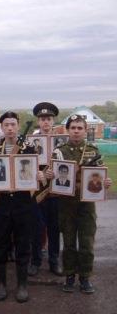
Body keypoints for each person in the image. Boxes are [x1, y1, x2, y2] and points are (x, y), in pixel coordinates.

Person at [47, 114, 112, 293]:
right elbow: (50, 175)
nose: (76, 131)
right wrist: (50, 176)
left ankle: (85, 277)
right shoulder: (59, 151)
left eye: (79, 128)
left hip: (86, 203)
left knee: (86, 242)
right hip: (66, 204)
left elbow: (99, 174)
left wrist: (105, 182)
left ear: (85, 131)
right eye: (73, 128)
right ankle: (69, 276)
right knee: (68, 242)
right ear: (67, 130)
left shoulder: (93, 149)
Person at [0, 111, 42, 303]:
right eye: (6, 124)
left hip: (24, 202)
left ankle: (22, 285)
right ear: (1, 127)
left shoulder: (30, 147)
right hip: (1, 202)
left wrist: (39, 177)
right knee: (1, 244)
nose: (10, 128)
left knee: (24, 244)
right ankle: (1, 284)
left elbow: (36, 172)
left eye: (13, 124)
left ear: (18, 126)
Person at [28, 102, 63, 278]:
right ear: (38, 121)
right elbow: (24, 165)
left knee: (54, 227)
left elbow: (69, 167)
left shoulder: (61, 142)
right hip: (37, 192)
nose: (46, 122)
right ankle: (35, 261)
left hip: (56, 192)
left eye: (48, 118)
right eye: (42, 119)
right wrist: (38, 173)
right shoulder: (31, 142)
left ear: (53, 120)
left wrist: (54, 173)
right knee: (36, 227)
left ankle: (54, 260)